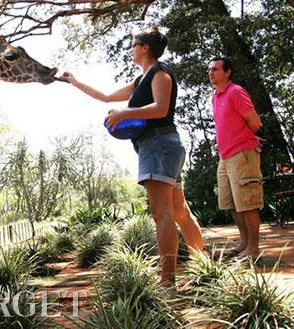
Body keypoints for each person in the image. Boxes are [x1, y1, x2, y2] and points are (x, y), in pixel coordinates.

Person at [62, 26, 205, 288]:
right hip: (163, 146)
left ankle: (167, 280)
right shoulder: (141, 80)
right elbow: (105, 96)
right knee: (178, 211)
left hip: (158, 144)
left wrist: (124, 114)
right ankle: (205, 265)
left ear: (145, 48)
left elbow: (161, 108)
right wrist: (75, 82)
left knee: (161, 213)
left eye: (133, 45)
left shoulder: (160, 73)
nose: (130, 49)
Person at [208, 57, 263, 259]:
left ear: (227, 72)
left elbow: (254, 122)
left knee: (247, 203)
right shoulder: (215, 97)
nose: (211, 73)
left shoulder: (235, 92)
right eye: (209, 70)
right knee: (231, 203)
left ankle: (253, 249)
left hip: (242, 153)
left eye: (215, 69)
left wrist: (244, 139)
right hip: (225, 157)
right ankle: (244, 243)